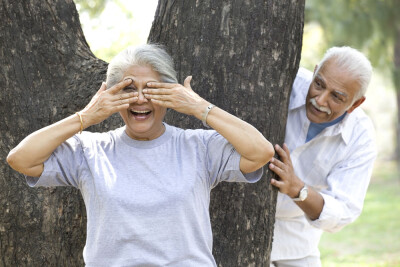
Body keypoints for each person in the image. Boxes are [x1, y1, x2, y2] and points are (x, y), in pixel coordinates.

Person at [7, 44, 274, 266]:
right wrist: (86, 116)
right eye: (128, 89)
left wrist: (199, 107)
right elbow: (21, 159)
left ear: (171, 94)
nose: (139, 99)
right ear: (111, 96)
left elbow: (260, 152)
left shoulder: (199, 147)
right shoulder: (90, 150)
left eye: (152, 89)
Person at [268, 46, 377, 267]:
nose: (320, 100)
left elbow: (344, 210)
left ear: (356, 103)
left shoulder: (361, 137)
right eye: (319, 84)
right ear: (316, 71)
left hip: (297, 244)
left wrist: (298, 190)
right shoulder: (284, 80)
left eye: (336, 97)